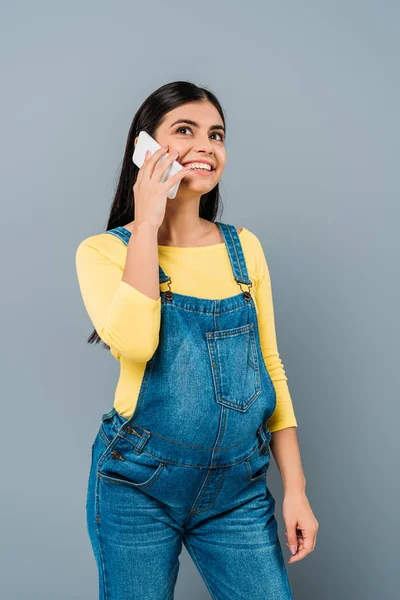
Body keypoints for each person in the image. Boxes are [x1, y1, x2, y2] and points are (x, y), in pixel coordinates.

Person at [75, 80, 318, 600]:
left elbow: (271, 368)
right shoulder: (102, 252)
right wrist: (146, 221)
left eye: (216, 134)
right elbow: (137, 345)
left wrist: (295, 489)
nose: (205, 146)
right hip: (137, 484)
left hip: (237, 489)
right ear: (145, 148)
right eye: (184, 130)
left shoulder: (243, 248)